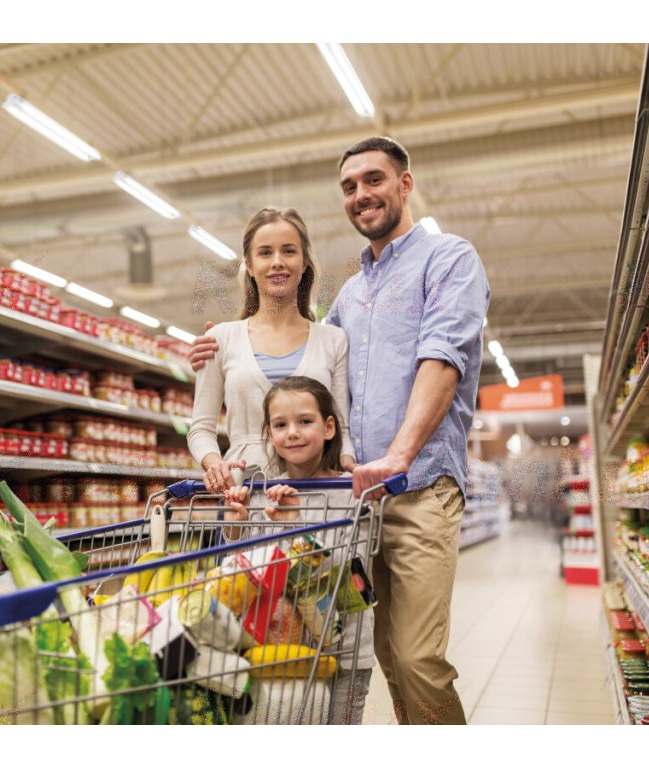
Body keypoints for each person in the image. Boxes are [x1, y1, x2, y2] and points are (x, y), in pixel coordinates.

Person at [189, 137, 489, 725]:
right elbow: (321, 399)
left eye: (374, 180)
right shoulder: (351, 296)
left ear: (405, 183)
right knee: (382, 654)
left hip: (417, 485)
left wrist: (396, 456)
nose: (361, 195)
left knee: (417, 657)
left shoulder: (448, 258)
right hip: (344, 503)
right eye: (349, 187)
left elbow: (443, 359)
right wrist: (212, 352)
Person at [222, 376, 373, 725]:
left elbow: (347, 573)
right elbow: (249, 571)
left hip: (345, 648)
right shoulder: (262, 492)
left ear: (329, 427)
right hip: (280, 651)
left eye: (305, 421)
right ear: (269, 433)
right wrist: (236, 524)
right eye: (280, 425)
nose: (292, 433)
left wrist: (296, 524)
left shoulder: (354, 493)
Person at [186, 207, 356, 494]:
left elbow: (341, 427)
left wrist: (349, 465)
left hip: (318, 496)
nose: (277, 262)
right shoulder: (220, 339)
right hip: (244, 494)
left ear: (304, 262)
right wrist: (215, 464)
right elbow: (201, 428)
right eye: (265, 253)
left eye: (288, 251)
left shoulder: (333, 340)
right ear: (250, 265)